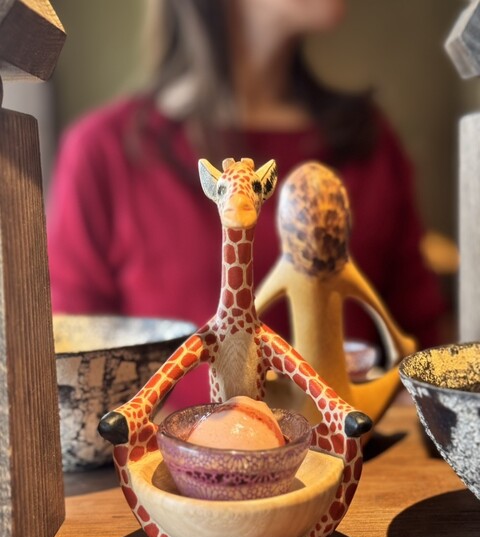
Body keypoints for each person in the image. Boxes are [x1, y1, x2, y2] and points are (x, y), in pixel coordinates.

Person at [47, 0, 446, 409]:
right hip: (182, 448)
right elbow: (79, 380)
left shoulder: (372, 144)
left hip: (345, 439)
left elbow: (421, 355)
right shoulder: (102, 154)